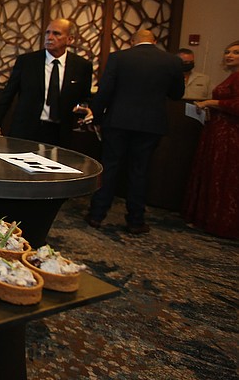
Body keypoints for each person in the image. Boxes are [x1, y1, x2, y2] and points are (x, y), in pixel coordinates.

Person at [86, 29, 185, 234]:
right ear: (155, 41)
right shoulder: (172, 61)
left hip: (118, 122)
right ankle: (135, 220)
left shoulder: (118, 58)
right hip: (151, 124)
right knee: (140, 171)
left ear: (132, 41)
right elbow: (177, 94)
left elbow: (104, 90)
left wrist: (95, 116)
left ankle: (96, 215)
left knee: (110, 168)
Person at [0, 18, 93, 147]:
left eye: (56, 33)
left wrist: (86, 108)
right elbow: (8, 94)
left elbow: (85, 97)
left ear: (70, 39)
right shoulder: (27, 62)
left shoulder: (82, 66)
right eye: (47, 33)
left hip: (61, 132)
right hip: (27, 130)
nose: (49, 37)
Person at [182, 40, 239, 239]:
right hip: (219, 130)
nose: (230, 55)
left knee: (225, 176)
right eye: (227, 51)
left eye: (236, 52)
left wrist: (210, 102)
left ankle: (223, 222)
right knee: (215, 173)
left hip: (231, 133)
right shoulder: (231, 76)